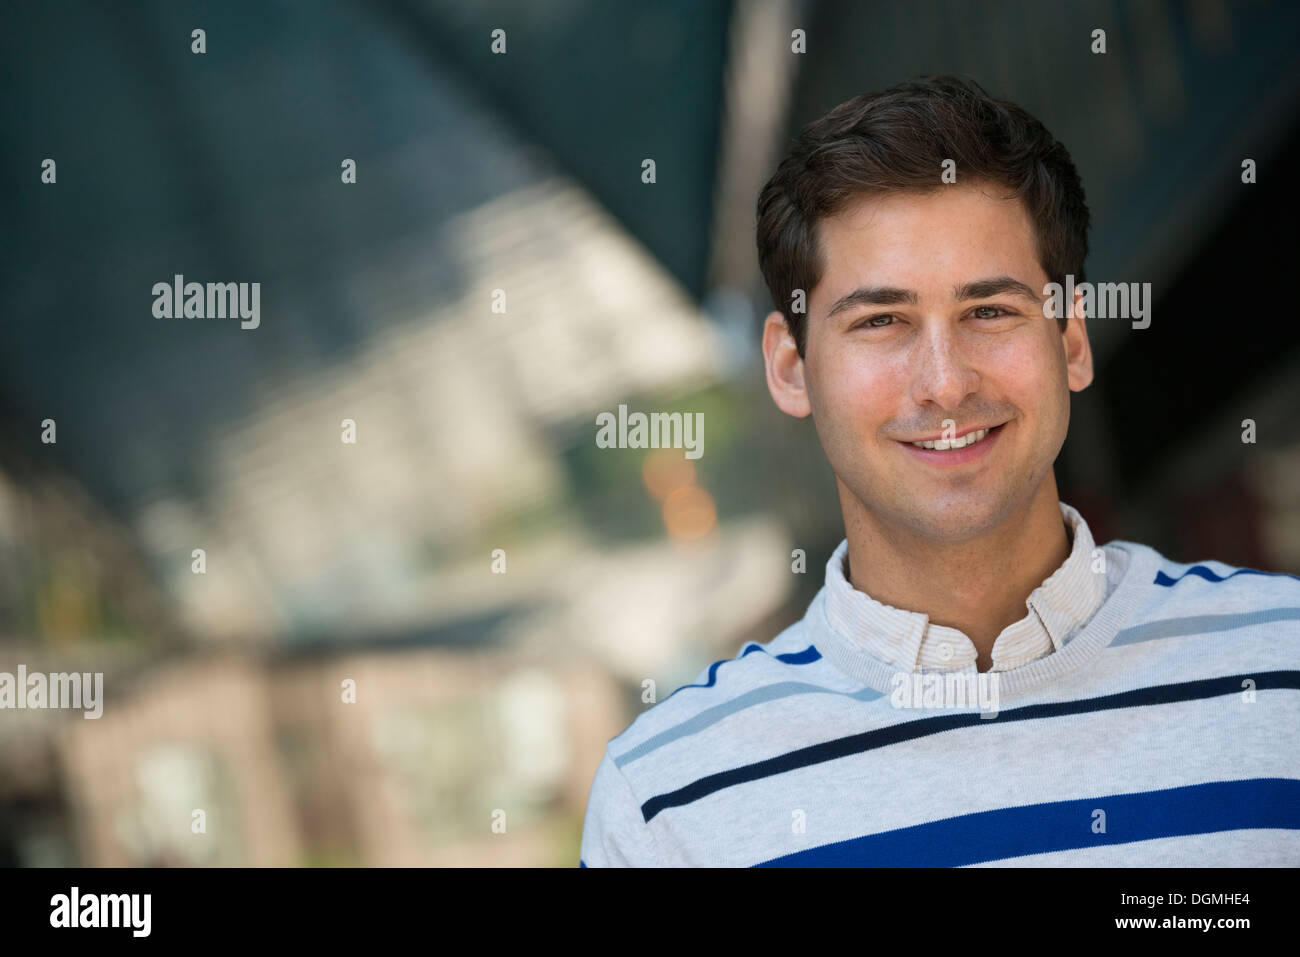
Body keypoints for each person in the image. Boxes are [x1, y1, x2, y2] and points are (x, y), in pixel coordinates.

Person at [579, 75, 1300, 866]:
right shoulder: (670, 804)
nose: (947, 382)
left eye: (990, 311)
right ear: (790, 368)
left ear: (1070, 341)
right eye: (881, 321)